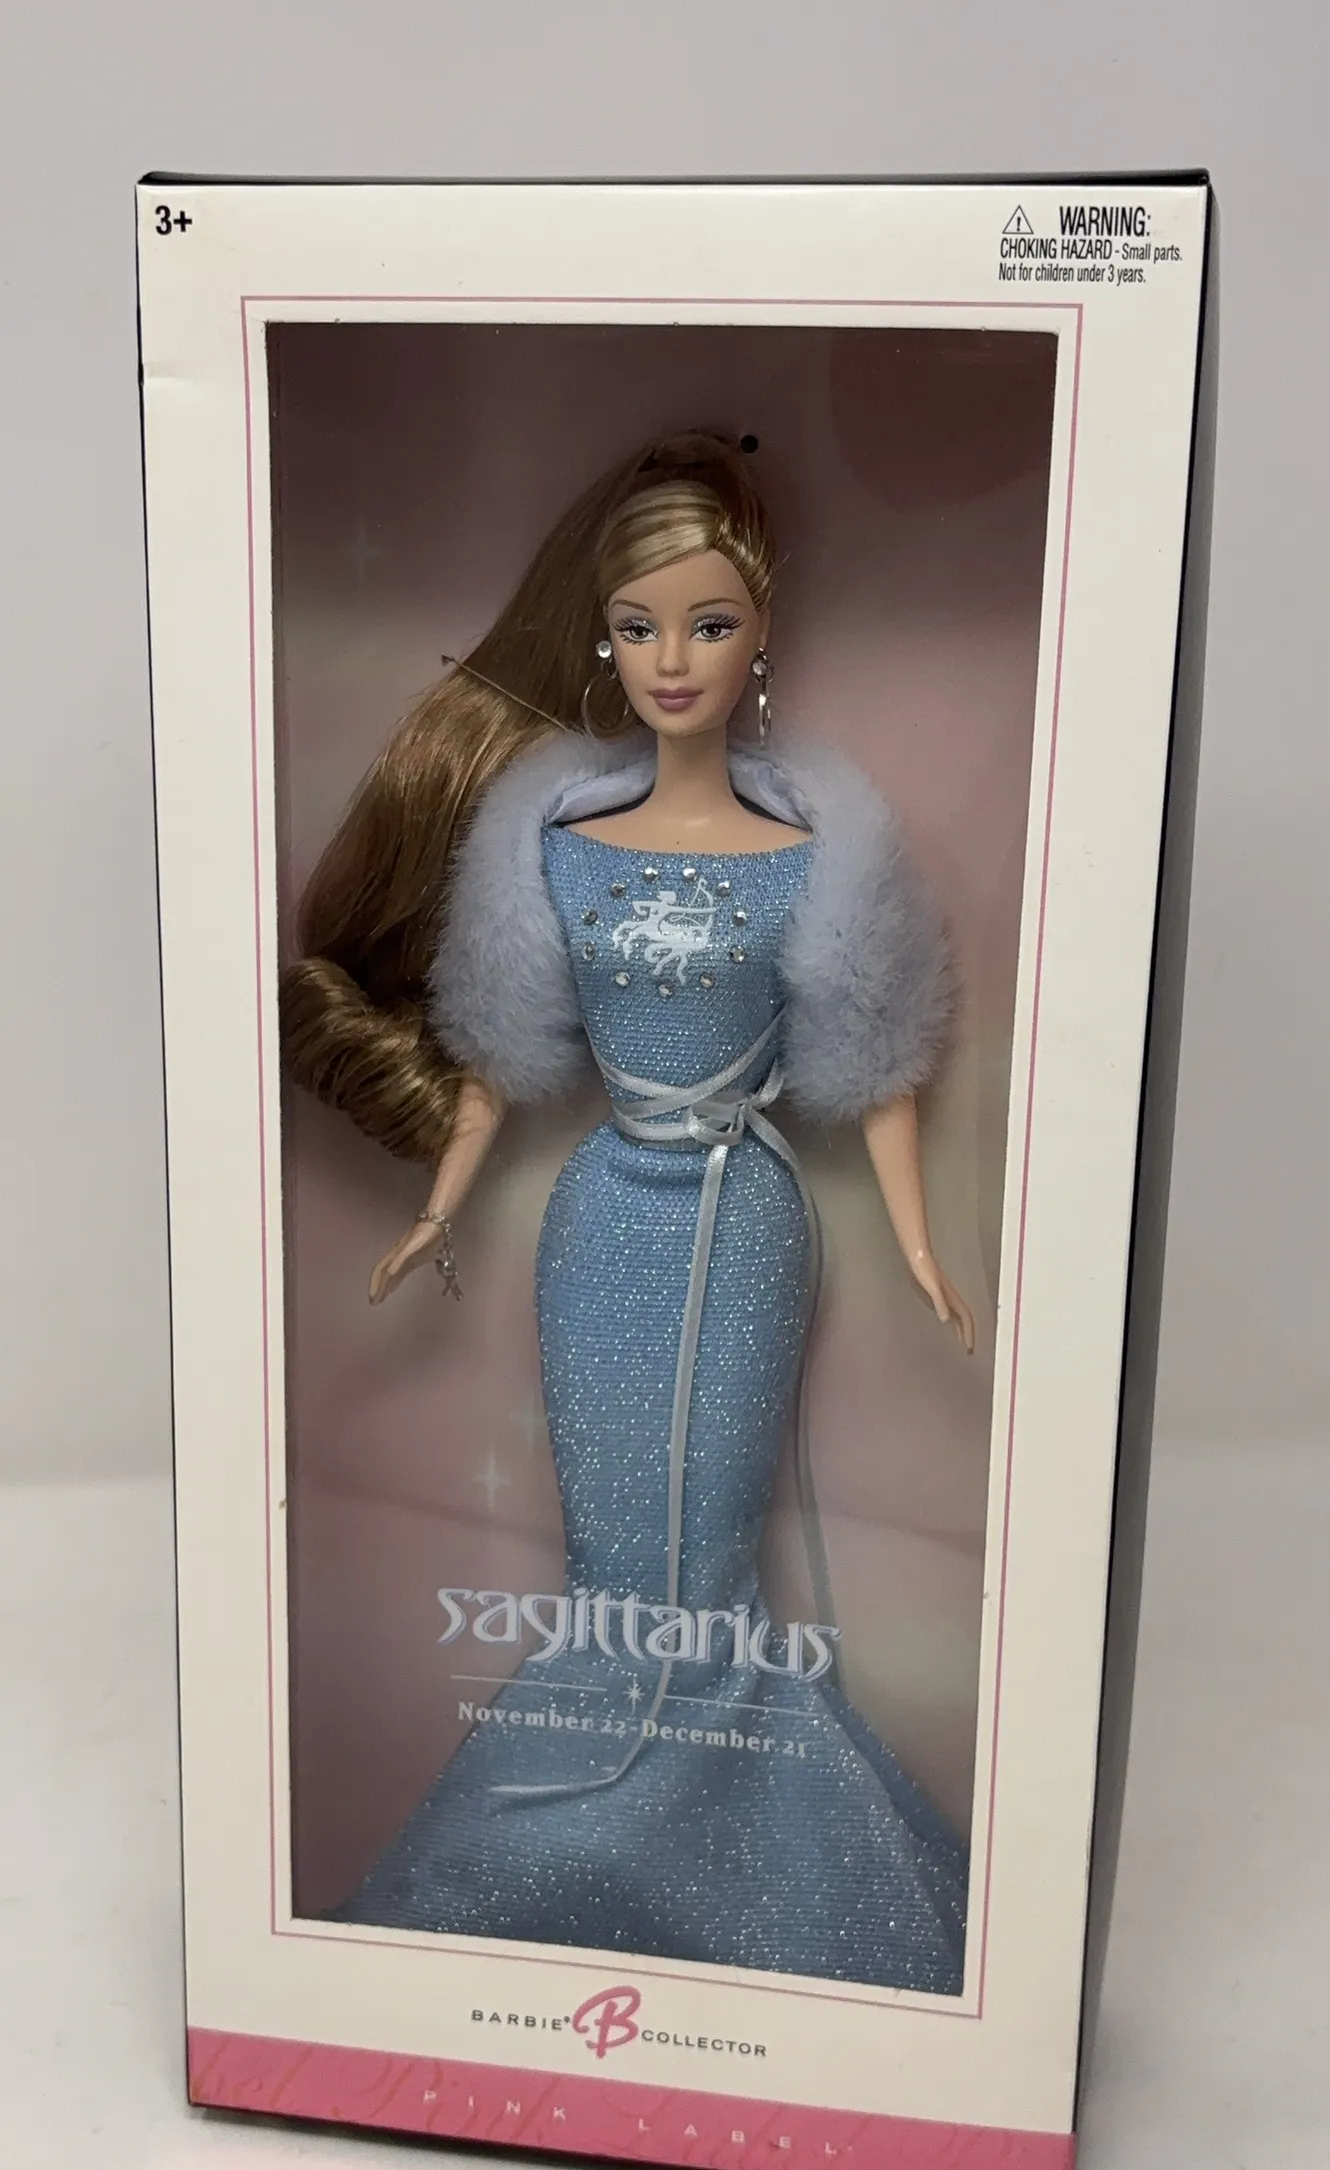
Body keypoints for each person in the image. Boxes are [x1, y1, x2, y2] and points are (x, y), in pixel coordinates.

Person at [284, 432, 975, 1993]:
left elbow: (876, 1058)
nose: (674, 658)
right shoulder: (551, 849)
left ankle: (743, 1881)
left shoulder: (818, 858)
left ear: (761, 635)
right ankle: (583, 1853)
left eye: (709, 623)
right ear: (602, 636)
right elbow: (494, 1055)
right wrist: (437, 1208)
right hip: (599, 1222)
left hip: (746, 1225)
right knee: (611, 1572)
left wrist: (924, 1248)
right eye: (642, 624)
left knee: (705, 1577)